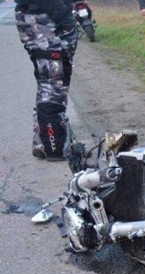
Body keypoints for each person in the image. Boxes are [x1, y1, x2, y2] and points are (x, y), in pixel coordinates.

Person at [15, 0, 78, 161]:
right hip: (43, 19)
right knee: (52, 85)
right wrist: (66, 18)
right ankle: (53, 147)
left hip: (39, 19)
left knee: (50, 82)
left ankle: (42, 143)